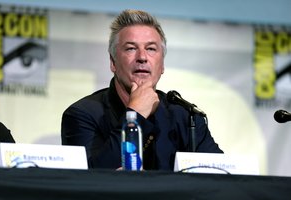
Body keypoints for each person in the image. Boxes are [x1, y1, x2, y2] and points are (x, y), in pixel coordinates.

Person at [61, 9, 223, 170]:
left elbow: (221, 176)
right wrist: (135, 116)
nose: (142, 57)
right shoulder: (82, 115)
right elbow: (88, 179)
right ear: (113, 62)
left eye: (151, 49)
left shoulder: (186, 117)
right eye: (131, 48)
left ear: (162, 65)